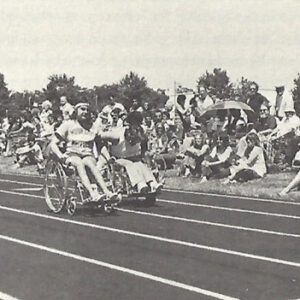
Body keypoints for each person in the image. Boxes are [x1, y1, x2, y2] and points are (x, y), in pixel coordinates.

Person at [50, 102, 116, 202]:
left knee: (90, 163)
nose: (85, 112)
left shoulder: (93, 127)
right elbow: (53, 143)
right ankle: (92, 193)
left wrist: (108, 157)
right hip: (72, 154)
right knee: (79, 163)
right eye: (82, 109)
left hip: (87, 155)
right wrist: (60, 154)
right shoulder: (68, 125)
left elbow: (100, 145)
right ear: (76, 111)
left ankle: (107, 192)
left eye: (87, 110)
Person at [99, 111, 163, 193]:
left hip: (132, 158)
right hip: (118, 158)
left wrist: (145, 156)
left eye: (135, 141)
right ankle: (140, 184)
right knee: (129, 164)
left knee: (140, 164)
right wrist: (107, 156)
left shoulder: (141, 132)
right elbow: (99, 137)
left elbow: (144, 147)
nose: (133, 143)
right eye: (131, 140)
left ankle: (152, 183)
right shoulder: (116, 135)